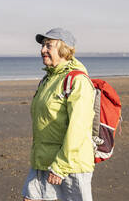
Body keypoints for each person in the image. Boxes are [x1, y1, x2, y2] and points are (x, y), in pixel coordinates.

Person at [22, 28, 96, 201]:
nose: (42, 50)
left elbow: (79, 127)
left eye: (48, 46)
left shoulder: (78, 81)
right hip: (43, 161)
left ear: (64, 49)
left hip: (71, 165)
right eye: (42, 46)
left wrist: (61, 166)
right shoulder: (48, 79)